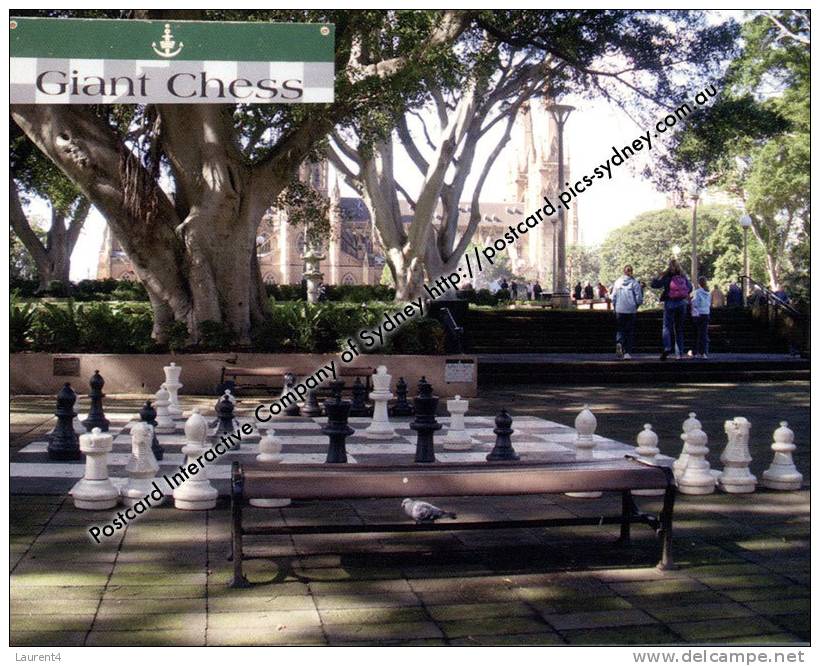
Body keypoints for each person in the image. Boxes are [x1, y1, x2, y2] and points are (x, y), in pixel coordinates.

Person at [651, 259, 692, 360]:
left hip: (670, 302)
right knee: (679, 329)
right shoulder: (683, 276)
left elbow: (655, 285)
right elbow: (690, 288)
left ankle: (667, 347)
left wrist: (657, 276)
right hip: (682, 303)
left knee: (666, 327)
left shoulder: (667, 276)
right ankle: (679, 354)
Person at [611, 265, 643, 360]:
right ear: (631, 272)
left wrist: (615, 306)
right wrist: (637, 305)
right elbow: (639, 298)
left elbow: (613, 296)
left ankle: (619, 342)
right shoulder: (634, 283)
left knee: (620, 329)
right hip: (631, 309)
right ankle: (627, 353)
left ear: (623, 271)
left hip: (619, 309)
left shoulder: (617, 282)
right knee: (629, 331)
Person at [691, 276, 711, 359]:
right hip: (706, 313)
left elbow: (695, 303)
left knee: (696, 333)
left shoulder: (697, 292)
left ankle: (695, 352)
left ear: (699, 283)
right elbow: (709, 303)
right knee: (703, 333)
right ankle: (703, 353)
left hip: (698, 314)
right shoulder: (708, 292)